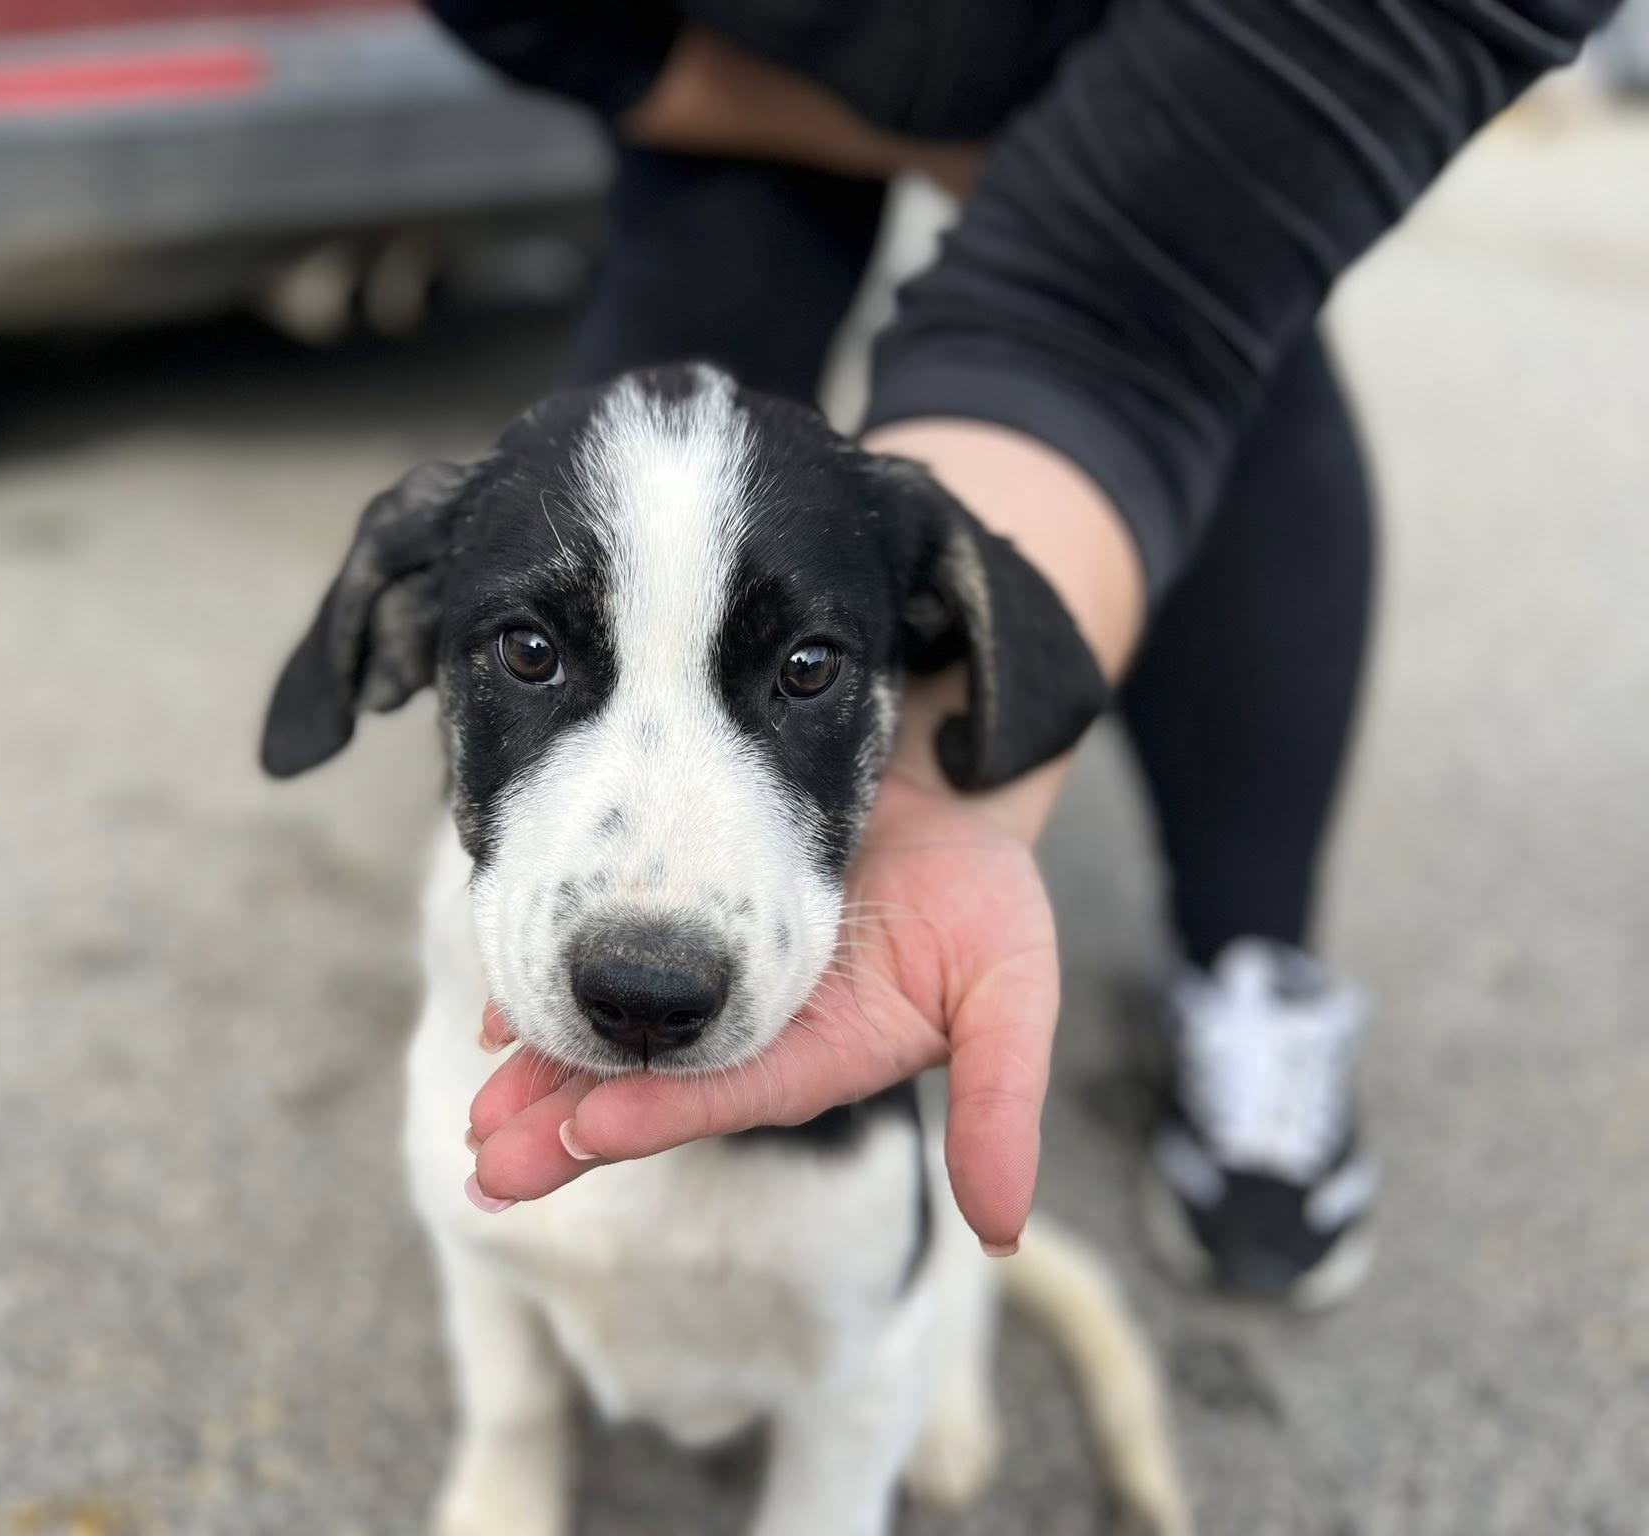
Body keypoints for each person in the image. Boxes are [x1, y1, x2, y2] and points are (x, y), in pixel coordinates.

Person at [432, 0, 1617, 1305]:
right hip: (743, 57)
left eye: (810, 671)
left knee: (1221, 301)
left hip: (1171, 54)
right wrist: (904, 139)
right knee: (651, 446)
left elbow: (1110, 315)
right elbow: (548, 27)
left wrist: (973, 789)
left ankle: (1251, 960)